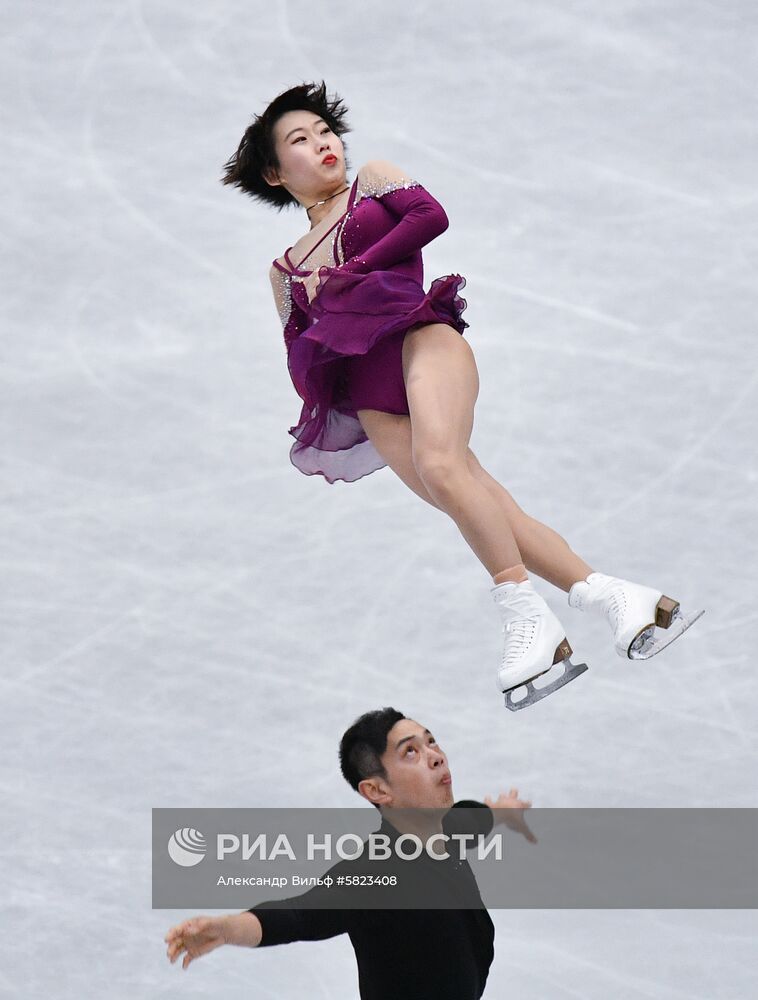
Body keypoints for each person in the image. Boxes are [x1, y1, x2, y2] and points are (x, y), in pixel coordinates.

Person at [219, 82, 703, 708]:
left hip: (424, 341)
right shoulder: (286, 268)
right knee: (478, 504)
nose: (323, 145)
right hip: (370, 392)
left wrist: (355, 272)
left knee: (443, 466)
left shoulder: (373, 181)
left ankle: (526, 617)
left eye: (324, 131)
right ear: (276, 174)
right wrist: (317, 315)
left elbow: (430, 217)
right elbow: (301, 350)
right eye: (300, 142)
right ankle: (621, 599)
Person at [165, 708, 536, 999]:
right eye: (411, 752)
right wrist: (228, 929)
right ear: (377, 790)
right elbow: (299, 913)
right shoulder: (376, 875)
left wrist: (504, 809)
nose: (436, 756)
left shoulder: (449, 828)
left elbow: (475, 816)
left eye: (431, 741)